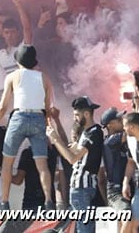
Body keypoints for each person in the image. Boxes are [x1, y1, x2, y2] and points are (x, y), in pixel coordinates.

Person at [0, 45, 54, 211]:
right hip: (38, 117)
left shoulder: (13, 76)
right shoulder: (44, 78)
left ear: (17, 60)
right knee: (42, 165)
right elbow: (47, 107)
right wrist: (47, 127)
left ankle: (4, 202)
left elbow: (3, 106)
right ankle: (48, 201)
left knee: (7, 162)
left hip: (19, 117)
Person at [48, 97, 104, 232]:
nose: (74, 119)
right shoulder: (86, 132)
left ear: (86, 114)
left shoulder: (94, 132)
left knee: (84, 228)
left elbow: (72, 159)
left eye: (76, 115)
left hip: (82, 188)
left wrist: (55, 139)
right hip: (82, 187)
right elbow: (70, 152)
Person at [99, 107, 130, 228]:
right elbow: (133, 129)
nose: (123, 121)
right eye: (119, 119)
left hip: (127, 189)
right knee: (126, 214)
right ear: (110, 125)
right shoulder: (110, 141)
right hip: (116, 192)